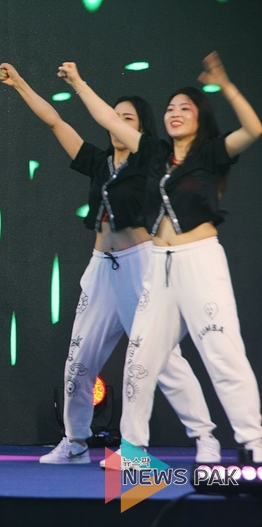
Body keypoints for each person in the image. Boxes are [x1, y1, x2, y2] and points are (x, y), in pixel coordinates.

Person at [0, 64, 220, 464]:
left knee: (163, 361)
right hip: (101, 268)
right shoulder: (100, 163)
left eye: (127, 118)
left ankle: (206, 438)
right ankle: (76, 442)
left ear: (141, 128)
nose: (116, 122)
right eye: (114, 116)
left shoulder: (150, 162)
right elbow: (55, 121)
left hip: (140, 268)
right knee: (78, 361)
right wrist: (21, 86)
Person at [57, 52, 262, 460]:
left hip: (199, 262)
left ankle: (254, 445)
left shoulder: (210, 154)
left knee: (222, 354)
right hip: (159, 267)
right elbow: (109, 119)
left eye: (185, 108)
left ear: (200, 118)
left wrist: (225, 85)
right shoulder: (153, 154)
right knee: (140, 361)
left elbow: (253, 129)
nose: (175, 113)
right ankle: (134, 452)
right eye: (170, 108)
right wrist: (78, 84)